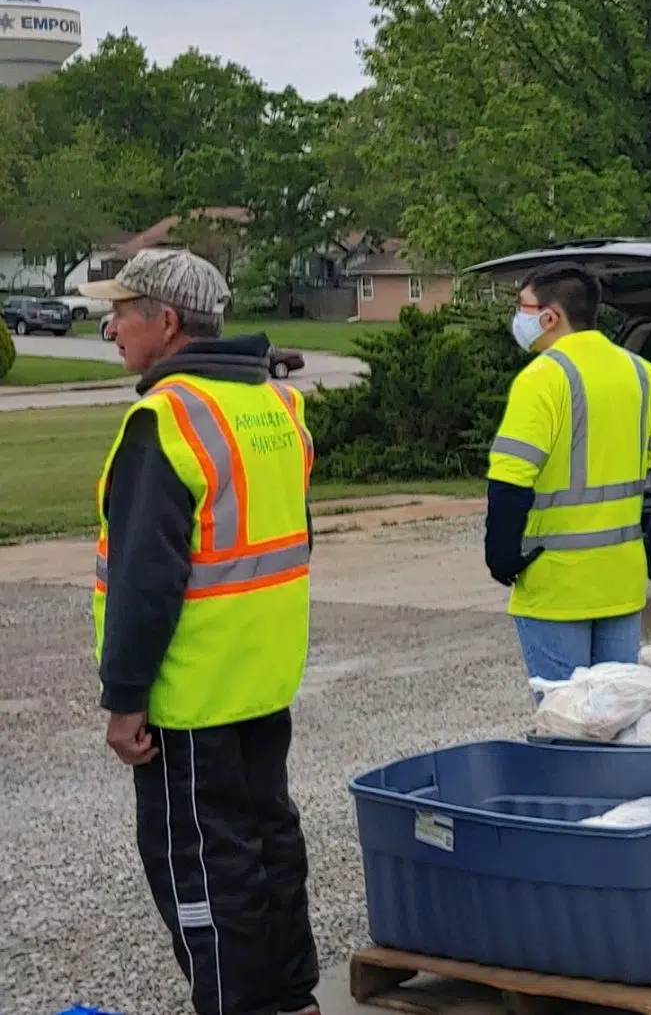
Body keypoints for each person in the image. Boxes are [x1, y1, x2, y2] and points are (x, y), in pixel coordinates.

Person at [84, 248, 320, 1015]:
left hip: (191, 697)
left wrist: (125, 698)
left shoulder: (167, 419)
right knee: (268, 845)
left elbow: (144, 581)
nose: (110, 323)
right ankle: (292, 999)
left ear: (168, 321)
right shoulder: (274, 406)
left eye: (122, 310)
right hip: (261, 679)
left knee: (201, 867)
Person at [486, 263, 651, 682]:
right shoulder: (641, 372)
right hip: (621, 581)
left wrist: (502, 555)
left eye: (523, 306)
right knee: (616, 719)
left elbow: (511, 479)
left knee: (567, 723)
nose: (518, 316)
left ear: (550, 316)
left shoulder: (542, 379)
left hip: (556, 583)